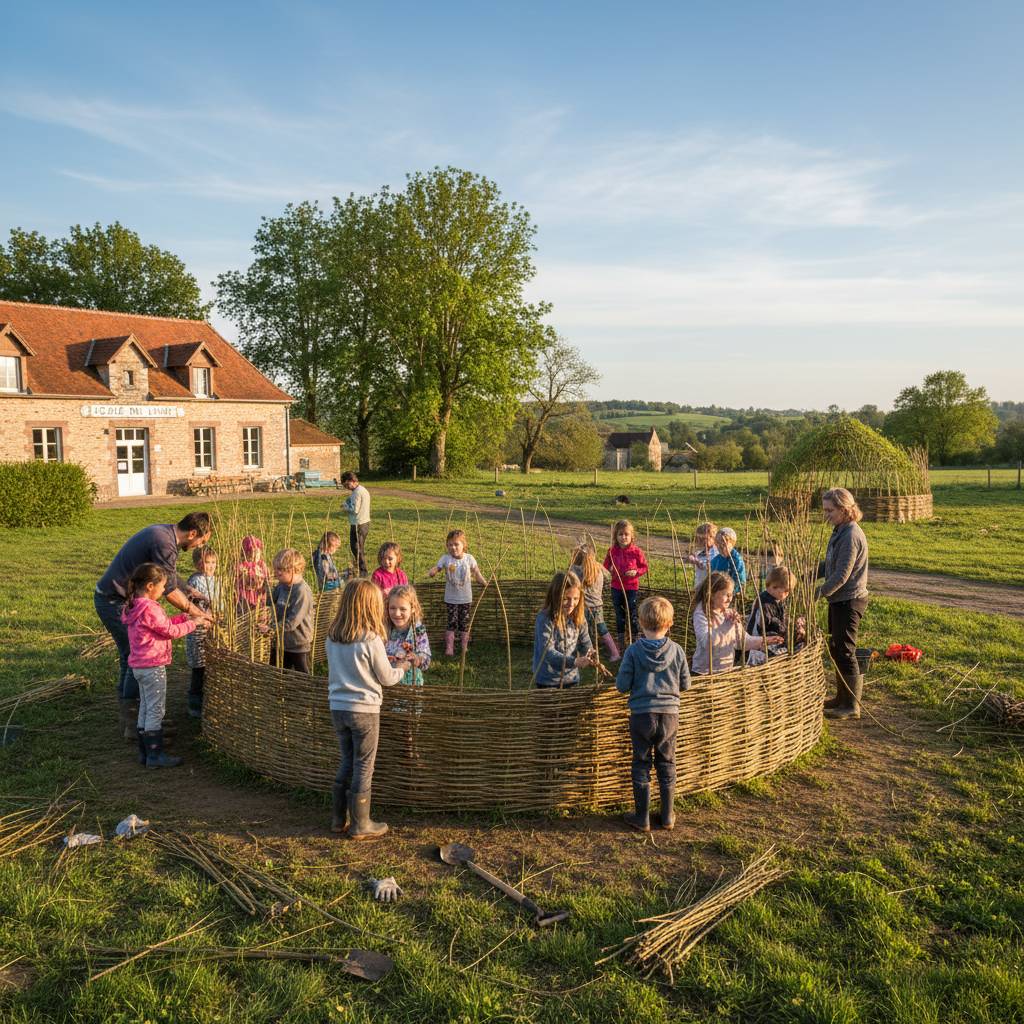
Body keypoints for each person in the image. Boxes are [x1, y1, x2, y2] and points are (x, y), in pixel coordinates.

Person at [94, 511, 211, 741]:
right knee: (134, 657)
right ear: (193, 533)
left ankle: (143, 719)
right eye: (202, 541)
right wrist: (194, 612)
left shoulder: (164, 535)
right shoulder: (164, 543)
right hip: (114, 600)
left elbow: (167, 577)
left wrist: (190, 590)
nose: (200, 545)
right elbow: (167, 591)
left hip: (117, 598)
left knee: (130, 658)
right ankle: (135, 723)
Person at [325, 579, 411, 839]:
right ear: (370, 606)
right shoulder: (371, 639)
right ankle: (361, 824)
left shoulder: (332, 637)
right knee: (364, 764)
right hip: (364, 710)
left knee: (347, 760)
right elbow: (386, 677)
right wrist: (403, 667)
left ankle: (338, 818)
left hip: (338, 708)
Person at [121, 563, 208, 769]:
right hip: (152, 666)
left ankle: (144, 753)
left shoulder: (135, 605)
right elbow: (169, 631)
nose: (163, 591)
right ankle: (155, 755)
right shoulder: (150, 608)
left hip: (139, 667)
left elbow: (161, 625)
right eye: (162, 587)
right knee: (155, 710)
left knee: (145, 707)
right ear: (150, 586)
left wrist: (183, 617)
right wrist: (194, 623)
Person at [615, 595, 690, 831]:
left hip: (641, 716)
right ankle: (667, 816)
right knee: (667, 763)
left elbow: (621, 685)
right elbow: (686, 684)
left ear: (640, 622)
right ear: (669, 624)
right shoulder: (677, 651)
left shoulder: (633, 652)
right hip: (669, 715)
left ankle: (642, 817)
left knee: (641, 763)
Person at [817, 487, 869, 720]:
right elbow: (830, 564)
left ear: (844, 509)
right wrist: (809, 574)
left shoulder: (851, 535)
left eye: (830, 510)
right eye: (825, 509)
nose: (826, 514)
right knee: (837, 648)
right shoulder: (839, 529)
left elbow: (841, 575)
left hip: (850, 600)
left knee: (846, 650)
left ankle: (852, 705)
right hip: (839, 598)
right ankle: (842, 697)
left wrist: (817, 593)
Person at [690, 572, 775, 675]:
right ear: (712, 594)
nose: (730, 598)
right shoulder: (702, 614)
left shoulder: (729, 614)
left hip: (725, 670)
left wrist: (763, 640)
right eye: (727, 595)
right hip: (704, 672)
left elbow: (742, 642)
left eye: (731, 594)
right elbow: (706, 643)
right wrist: (727, 626)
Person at [532, 571, 599, 688]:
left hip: (571, 678)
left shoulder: (578, 617)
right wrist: (574, 662)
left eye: (576, 598)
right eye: (566, 598)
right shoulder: (545, 619)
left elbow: (585, 641)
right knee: (550, 707)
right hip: (547, 679)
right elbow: (547, 653)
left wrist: (590, 652)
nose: (571, 604)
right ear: (556, 596)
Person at [428, 529, 487, 656]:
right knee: (452, 621)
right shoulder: (445, 559)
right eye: (450, 545)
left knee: (464, 622)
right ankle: (450, 647)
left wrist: (483, 582)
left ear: (463, 545)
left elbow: (477, 573)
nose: (453, 547)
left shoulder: (469, 558)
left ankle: (464, 647)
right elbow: (437, 568)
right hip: (451, 598)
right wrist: (432, 572)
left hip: (465, 598)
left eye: (456, 544)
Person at [264, 548, 314, 674]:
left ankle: (302, 694)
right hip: (281, 642)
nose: (276, 573)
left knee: (302, 676)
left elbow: (292, 622)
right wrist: (264, 587)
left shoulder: (301, 591)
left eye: (280, 571)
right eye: (276, 569)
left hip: (298, 644)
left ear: (292, 570)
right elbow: (269, 601)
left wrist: (271, 628)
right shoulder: (282, 585)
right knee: (275, 673)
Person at [185, 547, 221, 718]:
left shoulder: (215, 580)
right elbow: (193, 606)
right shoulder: (195, 582)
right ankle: (195, 703)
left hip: (212, 627)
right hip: (198, 630)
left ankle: (207, 698)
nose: (211, 566)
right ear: (198, 564)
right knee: (199, 667)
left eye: (214, 562)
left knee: (210, 664)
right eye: (208, 562)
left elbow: (219, 601)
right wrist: (205, 617)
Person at [745, 566, 806, 667]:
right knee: (781, 651)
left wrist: (794, 626)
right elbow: (767, 625)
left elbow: (783, 618)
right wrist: (785, 632)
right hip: (759, 640)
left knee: (799, 643)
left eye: (789, 591)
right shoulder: (764, 603)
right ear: (773, 587)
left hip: (772, 636)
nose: (787, 594)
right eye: (785, 591)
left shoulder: (778, 600)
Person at [570, 540, 619, 662]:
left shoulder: (577, 570)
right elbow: (608, 578)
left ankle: (582, 655)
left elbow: (569, 578)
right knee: (602, 630)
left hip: (583, 606)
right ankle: (614, 653)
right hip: (597, 606)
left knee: (580, 630)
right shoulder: (599, 569)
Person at [603, 519, 649, 649]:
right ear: (615, 536)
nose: (623, 537)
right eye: (620, 534)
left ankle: (635, 638)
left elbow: (644, 567)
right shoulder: (612, 551)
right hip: (616, 587)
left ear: (631, 536)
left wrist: (636, 572)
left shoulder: (636, 552)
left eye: (626, 534)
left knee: (632, 612)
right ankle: (621, 639)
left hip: (631, 587)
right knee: (619, 614)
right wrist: (609, 570)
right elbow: (605, 567)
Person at [385, 584, 431, 687]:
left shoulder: (417, 630)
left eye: (403, 609)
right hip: (388, 684)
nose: (397, 613)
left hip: (411, 684)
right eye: (392, 608)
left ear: (413, 608)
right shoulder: (385, 628)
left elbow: (426, 658)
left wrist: (417, 659)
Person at [341, 471, 371, 576]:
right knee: (357, 548)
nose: (346, 487)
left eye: (346, 484)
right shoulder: (361, 490)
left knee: (357, 548)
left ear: (352, 481)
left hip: (359, 524)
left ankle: (363, 571)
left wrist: (345, 507)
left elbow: (355, 510)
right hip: (363, 522)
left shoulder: (357, 492)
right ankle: (358, 567)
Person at [236, 535, 270, 612]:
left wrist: (263, 583)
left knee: (259, 609)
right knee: (245, 609)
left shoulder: (262, 565)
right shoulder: (241, 565)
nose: (255, 555)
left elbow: (266, 578)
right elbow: (239, 580)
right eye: (251, 552)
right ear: (245, 553)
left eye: (257, 552)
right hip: (246, 594)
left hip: (258, 593)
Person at [710, 527, 747, 594]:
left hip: (729, 594)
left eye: (724, 544)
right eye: (717, 544)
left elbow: (739, 580)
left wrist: (730, 592)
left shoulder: (737, 560)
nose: (720, 547)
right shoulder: (716, 560)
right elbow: (711, 576)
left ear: (732, 544)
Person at [686, 521, 718, 589]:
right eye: (698, 539)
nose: (700, 541)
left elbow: (712, 567)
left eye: (703, 539)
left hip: (711, 586)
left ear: (713, 538)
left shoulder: (716, 553)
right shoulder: (701, 552)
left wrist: (700, 563)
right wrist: (691, 557)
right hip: (699, 584)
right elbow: (689, 558)